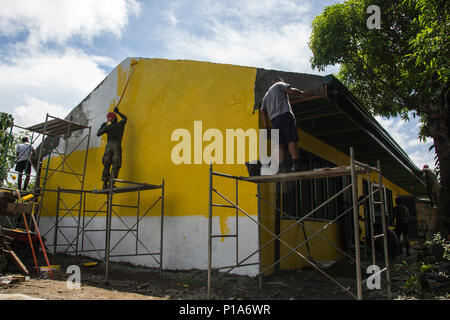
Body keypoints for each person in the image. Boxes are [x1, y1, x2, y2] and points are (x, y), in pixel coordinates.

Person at [260, 77, 304, 173]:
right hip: (285, 115)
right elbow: (291, 91)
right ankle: (295, 164)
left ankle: (280, 168)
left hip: (274, 121)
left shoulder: (266, 96)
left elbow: (262, 111)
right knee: (292, 139)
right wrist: (301, 92)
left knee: (279, 145)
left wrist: (266, 126)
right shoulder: (280, 84)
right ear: (279, 81)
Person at [97, 106, 127, 190]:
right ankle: (111, 184)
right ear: (116, 118)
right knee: (115, 165)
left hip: (108, 146)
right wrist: (118, 112)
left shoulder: (107, 127)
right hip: (116, 146)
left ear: (109, 120)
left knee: (106, 165)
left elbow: (98, 133)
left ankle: (104, 183)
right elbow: (125, 118)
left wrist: (103, 125)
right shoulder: (120, 125)